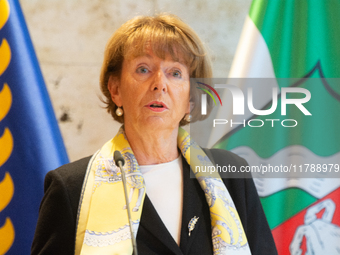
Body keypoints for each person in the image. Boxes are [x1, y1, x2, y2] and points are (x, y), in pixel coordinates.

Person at [31, 14, 277, 255]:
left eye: (175, 73)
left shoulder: (231, 175)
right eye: (143, 69)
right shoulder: (72, 188)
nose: (160, 83)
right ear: (115, 89)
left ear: (191, 98)